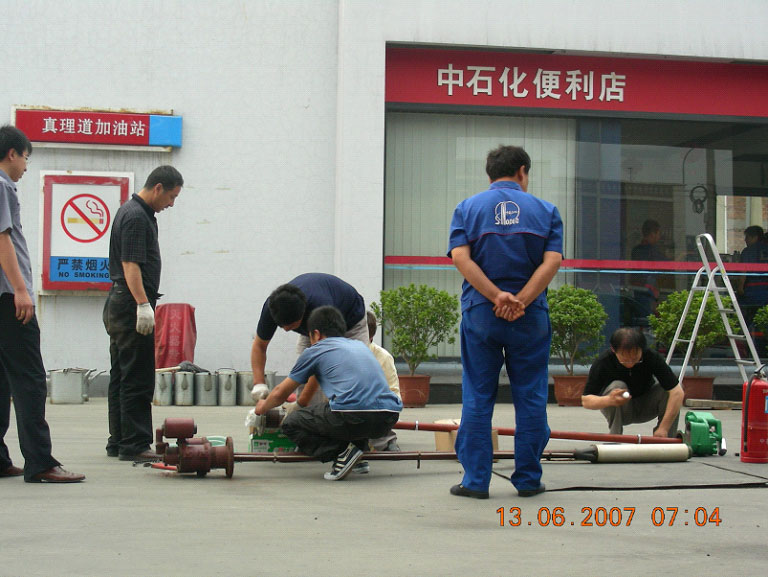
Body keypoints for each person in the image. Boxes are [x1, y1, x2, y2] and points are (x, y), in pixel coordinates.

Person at [447, 144, 562, 499]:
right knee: (530, 396)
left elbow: (461, 258)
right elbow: (552, 262)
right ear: (522, 171)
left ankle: (475, 481)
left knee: (478, 396)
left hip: (482, 314)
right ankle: (527, 479)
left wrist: (496, 296)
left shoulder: (467, 209)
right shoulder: (547, 211)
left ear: (490, 174)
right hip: (530, 316)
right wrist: (520, 300)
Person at [0, 125, 85, 483]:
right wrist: (20, 289)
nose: (25, 166)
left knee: (2, 381)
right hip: (8, 299)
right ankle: (40, 462)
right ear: (12, 153)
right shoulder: (2, 185)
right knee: (31, 380)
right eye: (25, 158)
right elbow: (2, 239)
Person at [254, 306, 402, 481]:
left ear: (316, 334)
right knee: (341, 411)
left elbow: (281, 392)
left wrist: (262, 407)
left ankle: (342, 454)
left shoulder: (316, 350)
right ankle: (358, 457)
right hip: (388, 418)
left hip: (353, 415)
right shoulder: (359, 346)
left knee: (292, 423)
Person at [103, 165, 183, 462]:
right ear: (158, 187)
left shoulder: (131, 211)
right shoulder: (137, 216)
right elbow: (130, 264)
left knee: (121, 375)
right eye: (171, 197)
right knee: (137, 376)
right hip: (130, 304)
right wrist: (142, 304)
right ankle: (135, 444)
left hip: (119, 302)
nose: (171, 204)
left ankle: (118, 440)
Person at [251, 273, 368, 407]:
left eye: (291, 326)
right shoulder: (273, 306)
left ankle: (350, 413)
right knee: (304, 374)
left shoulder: (320, 306)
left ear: (303, 314)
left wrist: (300, 403)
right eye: (281, 326)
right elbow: (259, 346)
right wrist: (259, 384)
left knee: (349, 373)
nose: (286, 330)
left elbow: (320, 362)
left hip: (351, 320)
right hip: (315, 324)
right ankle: (307, 416)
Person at [582, 327, 683, 437]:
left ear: (642, 349)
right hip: (621, 409)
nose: (630, 363)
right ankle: (615, 437)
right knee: (617, 386)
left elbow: (677, 392)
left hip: (646, 405)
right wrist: (609, 400)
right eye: (625, 359)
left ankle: (665, 438)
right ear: (613, 350)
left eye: (635, 358)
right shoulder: (603, 362)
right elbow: (586, 401)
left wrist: (664, 428)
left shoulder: (651, 357)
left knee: (670, 390)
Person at [366, 310, 400, 451]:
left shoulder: (383, 357)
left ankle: (385, 440)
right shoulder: (343, 354)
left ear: (370, 336)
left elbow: (394, 395)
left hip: (377, 408)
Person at [628, 219, 668, 322]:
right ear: (653, 234)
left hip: (639, 290)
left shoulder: (636, 250)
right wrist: (681, 257)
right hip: (646, 291)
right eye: (658, 234)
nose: (659, 237)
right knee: (648, 320)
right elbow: (667, 265)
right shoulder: (651, 251)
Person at [736, 225, 767, 327]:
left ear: (755, 237)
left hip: (753, 292)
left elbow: (743, 272)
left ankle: (749, 332)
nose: (745, 240)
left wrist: (740, 288)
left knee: (747, 316)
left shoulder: (748, 251)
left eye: (747, 237)